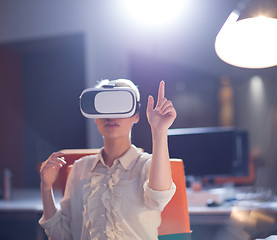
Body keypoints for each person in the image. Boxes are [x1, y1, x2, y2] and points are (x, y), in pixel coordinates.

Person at [39, 79, 177, 240]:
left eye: (120, 106)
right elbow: (60, 236)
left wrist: (159, 131)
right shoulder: (79, 168)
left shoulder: (147, 165)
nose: (111, 116)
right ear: (95, 117)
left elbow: (158, 197)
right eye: (104, 107)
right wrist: (46, 187)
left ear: (136, 116)